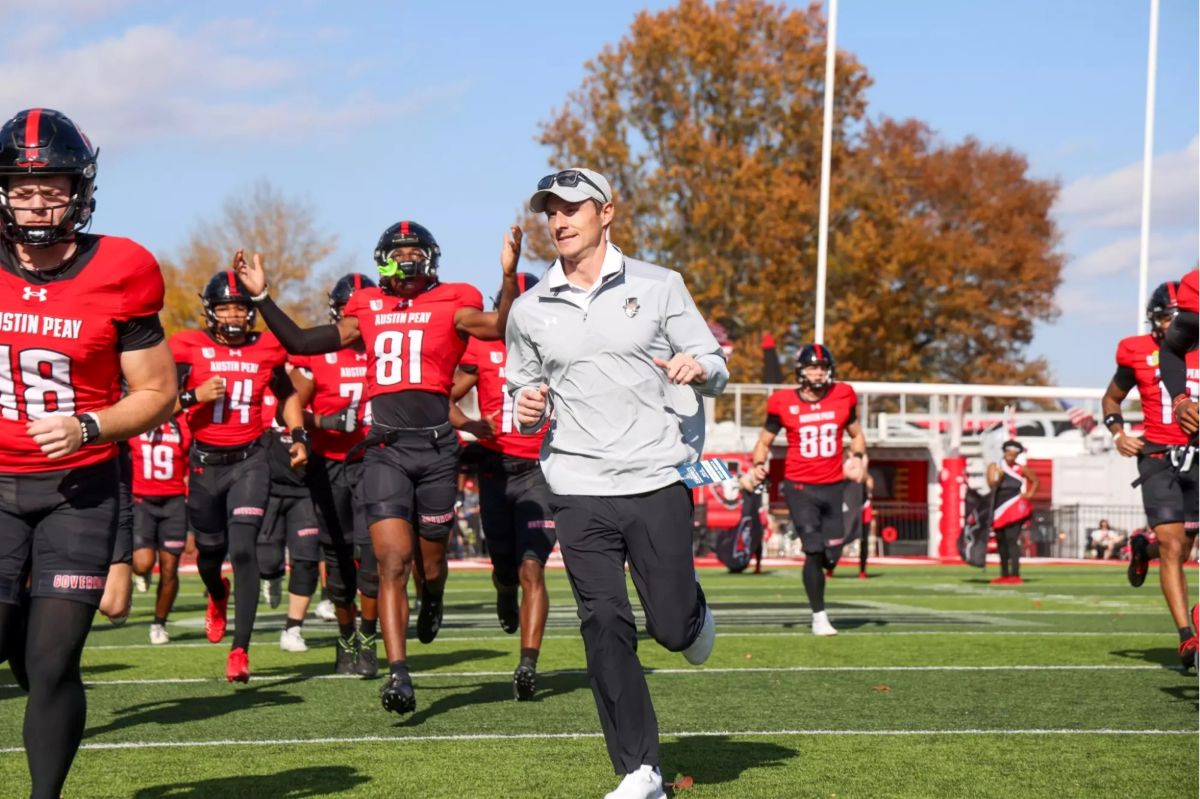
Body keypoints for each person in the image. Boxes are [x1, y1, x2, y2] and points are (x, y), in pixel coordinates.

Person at [235, 220, 522, 715]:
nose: (407, 260)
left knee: (430, 568)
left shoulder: (455, 298)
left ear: (430, 257)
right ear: (383, 259)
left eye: (415, 251)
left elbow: (500, 328)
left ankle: (432, 599)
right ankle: (398, 674)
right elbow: (302, 343)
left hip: (436, 451)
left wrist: (509, 277)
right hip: (385, 449)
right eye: (399, 251)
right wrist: (261, 299)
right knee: (393, 561)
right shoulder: (366, 305)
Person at [507, 167, 727, 799]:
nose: (559, 219)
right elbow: (518, 385)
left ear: (608, 213)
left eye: (573, 206)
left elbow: (715, 363)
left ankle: (690, 613)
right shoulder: (529, 308)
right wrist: (524, 405)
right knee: (603, 622)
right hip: (576, 482)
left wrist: (697, 366)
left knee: (669, 630)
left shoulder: (660, 286)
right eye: (551, 209)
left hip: (656, 474)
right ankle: (641, 771)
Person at [0, 107, 176, 799]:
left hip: (79, 485)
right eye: (22, 186)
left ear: (81, 190)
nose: (38, 201)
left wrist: (89, 425)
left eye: (53, 187)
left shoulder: (122, 268)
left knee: (51, 662)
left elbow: (158, 390)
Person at [170, 271, 305, 682]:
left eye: (241, 307)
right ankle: (216, 592)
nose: (233, 314)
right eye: (226, 306)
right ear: (210, 311)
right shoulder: (186, 346)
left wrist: (298, 435)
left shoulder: (266, 346)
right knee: (210, 555)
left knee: (244, 548)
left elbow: (288, 394)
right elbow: (155, 402)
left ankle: (240, 650)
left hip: (251, 459)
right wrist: (194, 396)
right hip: (205, 463)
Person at [450, 271, 555, 700]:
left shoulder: (557, 348)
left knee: (533, 566)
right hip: (495, 467)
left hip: (540, 471)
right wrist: (473, 425)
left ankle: (527, 663)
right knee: (505, 566)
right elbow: (442, 394)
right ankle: (502, 590)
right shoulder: (483, 346)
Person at [287, 273, 380, 676]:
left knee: (374, 556)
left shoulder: (386, 347)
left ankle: (371, 639)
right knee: (339, 557)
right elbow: (290, 407)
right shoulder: (320, 354)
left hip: (377, 461)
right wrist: (320, 421)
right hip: (330, 465)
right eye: (348, 311)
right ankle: (345, 637)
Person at [1102, 280, 1198, 670]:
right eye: (1163, 317)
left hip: (1198, 455)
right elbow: (1112, 397)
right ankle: (1186, 638)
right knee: (1174, 546)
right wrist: (1118, 433)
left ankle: (1143, 549)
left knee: (1184, 546)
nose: (1168, 325)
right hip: (1157, 455)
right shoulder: (1136, 350)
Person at [752, 343, 867, 636]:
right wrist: (758, 464)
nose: (818, 372)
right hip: (799, 486)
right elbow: (764, 441)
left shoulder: (843, 396)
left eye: (822, 367)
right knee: (814, 550)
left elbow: (856, 435)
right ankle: (819, 616)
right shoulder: (783, 402)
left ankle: (822, 590)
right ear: (801, 371)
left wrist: (856, 458)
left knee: (833, 553)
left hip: (833, 487)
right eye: (813, 367)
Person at [258, 388, 321, 653]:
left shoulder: (311, 381)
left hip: (304, 487)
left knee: (307, 559)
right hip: (268, 487)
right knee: (268, 560)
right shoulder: (261, 385)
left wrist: (323, 421)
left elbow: (320, 417)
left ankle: (293, 628)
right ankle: (271, 576)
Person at [129, 416, 191, 644]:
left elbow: (190, 463)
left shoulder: (182, 423)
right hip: (142, 501)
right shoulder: (137, 419)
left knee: (170, 569)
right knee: (143, 563)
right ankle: (140, 573)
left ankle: (159, 623)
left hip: (174, 502)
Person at [986, 440, 1039, 585]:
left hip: (1014, 508)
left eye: (1014, 454)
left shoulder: (1021, 469)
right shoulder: (995, 466)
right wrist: (998, 476)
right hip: (999, 507)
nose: (1011, 456)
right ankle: (1004, 574)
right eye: (1009, 453)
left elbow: (1035, 480)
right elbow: (992, 485)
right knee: (1001, 542)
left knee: (1011, 540)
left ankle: (1015, 575)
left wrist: (1029, 494)